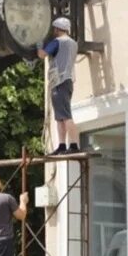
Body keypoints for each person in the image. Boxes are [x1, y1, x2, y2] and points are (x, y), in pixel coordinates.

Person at [37, 16, 80, 155]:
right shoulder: (73, 43)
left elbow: (42, 55)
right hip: (67, 80)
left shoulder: (57, 42)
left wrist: (38, 44)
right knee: (60, 116)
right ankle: (62, 145)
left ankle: (73, 145)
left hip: (59, 81)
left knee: (65, 115)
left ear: (56, 28)